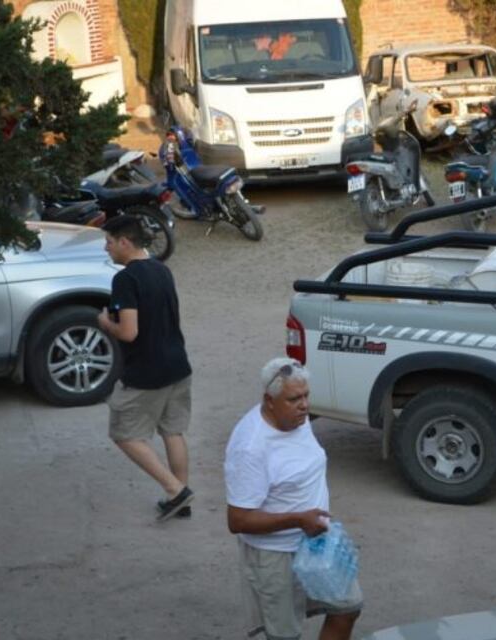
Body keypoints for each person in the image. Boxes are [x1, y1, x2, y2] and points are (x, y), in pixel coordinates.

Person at [224, 357, 362, 640]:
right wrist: (298, 519)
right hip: (275, 556)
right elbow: (237, 520)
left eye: (306, 396)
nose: (304, 405)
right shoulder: (250, 448)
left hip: (318, 543)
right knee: (285, 636)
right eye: (294, 399)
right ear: (269, 400)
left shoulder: (297, 419)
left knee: (348, 607)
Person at [97, 215, 193, 521]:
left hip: (146, 372)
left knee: (124, 434)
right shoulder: (162, 270)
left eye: (109, 242)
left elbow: (129, 332)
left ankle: (174, 490)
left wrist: (104, 323)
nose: (106, 248)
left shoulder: (125, 279)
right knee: (173, 431)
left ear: (125, 242)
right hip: (178, 365)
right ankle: (180, 496)